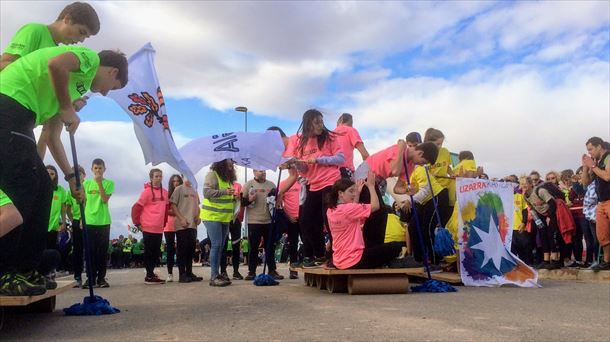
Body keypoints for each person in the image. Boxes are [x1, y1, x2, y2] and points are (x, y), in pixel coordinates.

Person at [0, 45, 127, 295]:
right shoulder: (89, 58)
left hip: (21, 116)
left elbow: (52, 137)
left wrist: (70, 177)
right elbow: (56, 64)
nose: (104, 92)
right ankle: (6, 272)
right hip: (8, 103)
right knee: (23, 188)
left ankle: (27, 268)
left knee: (44, 188)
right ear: (112, 72)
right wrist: (68, 106)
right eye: (111, 88)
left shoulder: (67, 90)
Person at [282, 109, 344, 268]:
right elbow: (304, 170)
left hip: (330, 181)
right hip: (314, 184)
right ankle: (320, 254)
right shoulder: (301, 142)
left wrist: (319, 159)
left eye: (322, 121)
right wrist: (296, 162)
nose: (320, 125)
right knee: (306, 221)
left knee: (329, 218)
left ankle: (336, 256)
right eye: (317, 122)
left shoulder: (330, 138)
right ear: (308, 123)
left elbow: (340, 158)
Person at [326, 171, 402, 269]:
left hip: (339, 260)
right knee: (396, 247)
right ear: (340, 193)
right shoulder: (348, 209)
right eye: (351, 191)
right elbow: (375, 206)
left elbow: (351, 211)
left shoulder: (331, 211)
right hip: (355, 260)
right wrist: (371, 186)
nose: (353, 194)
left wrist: (357, 194)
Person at [0, 1, 100, 71]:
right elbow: (3, 64)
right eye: (81, 32)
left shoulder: (58, 52)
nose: (82, 40)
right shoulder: (35, 30)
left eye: (86, 37)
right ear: (67, 19)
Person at [201, 159, 239, 286]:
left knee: (221, 247)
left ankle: (217, 274)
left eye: (233, 162)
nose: (232, 163)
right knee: (216, 245)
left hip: (224, 217)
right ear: (222, 162)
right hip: (212, 216)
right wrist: (225, 192)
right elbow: (206, 193)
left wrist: (233, 198)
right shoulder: (213, 174)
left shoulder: (227, 179)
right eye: (230, 161)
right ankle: (214, 276)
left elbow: (224, 197)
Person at [242, 169, 283, 281]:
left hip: (269, 221)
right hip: (254, 221)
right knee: (253, 248)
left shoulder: (271, 184)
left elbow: (278, 197)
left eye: (264, 171)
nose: (263, 173)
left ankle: (272, 270)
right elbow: (241, 201)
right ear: (254, 172)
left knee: (270, 247)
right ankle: (251, 272)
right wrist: (249, 200)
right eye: (260, 171)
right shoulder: (248, 184)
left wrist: (278, 199)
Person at [131, 168, 168, 284]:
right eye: (156, 176)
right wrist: (137, 223)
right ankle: (149, 275)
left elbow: (166, 209)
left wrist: (164, 222)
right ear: (151, 178)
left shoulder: (165, 192)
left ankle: (151, 273)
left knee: (156, 252)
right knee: (149, 251)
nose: (158, 178)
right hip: (147, 226)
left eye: (160, 176)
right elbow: (135, 208)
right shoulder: (146, 192)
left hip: (159, 227)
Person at [82, 158, 114, 289]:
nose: (98, 171)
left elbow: (105, 199)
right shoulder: (86, 184)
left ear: (104, 169)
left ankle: (101, 278)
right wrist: (82, 220)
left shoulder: (109, 183)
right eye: (95, 168)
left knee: (102, 252)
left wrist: (100, 184)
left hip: (103, 221)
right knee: (90, 252)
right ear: (92, 169)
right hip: (89, 221)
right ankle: (90, 278)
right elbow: (83, 202)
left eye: (100, 168)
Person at [581, 137, 610, 271]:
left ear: (599, 146)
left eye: (591, 149)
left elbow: (607, 176)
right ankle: (607, 261)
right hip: (601, 202)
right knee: (602, 235)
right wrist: (586, 167)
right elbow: (586, 183)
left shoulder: (608, 156)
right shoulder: (596, 162)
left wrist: (592, 165)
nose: (590, 152)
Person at [522, 176, 561, 270]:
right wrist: (537, 219)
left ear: (531, 184)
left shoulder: (540, 191)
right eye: (522, 184)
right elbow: (531, 207)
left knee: (552, 235)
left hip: (551, 213)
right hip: (540, 215)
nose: (524, 186)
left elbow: (552, 203)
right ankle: (546, 260)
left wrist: (549, 217)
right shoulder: (525, 196)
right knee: (543, 236)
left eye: (525, 184)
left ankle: (555, 260)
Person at [170, 177, 202, 283]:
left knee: (191, 249)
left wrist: (198, 216)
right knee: (182, 250)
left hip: (193, 225)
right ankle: (182, 274)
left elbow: (198, 206)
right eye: (186, 175)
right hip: (182, 225)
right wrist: (181, 218)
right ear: (182, 177)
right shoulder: (179, 189)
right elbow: (173, 205)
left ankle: (189, 272)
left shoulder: (194, 190)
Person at [277, 176, 302, 279]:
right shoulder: (283, 184)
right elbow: (279, 203)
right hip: (291, 218)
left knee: (308, 242)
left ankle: (311, 266)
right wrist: (288, 216)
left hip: (304, 217)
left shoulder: (303, 182)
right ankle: (293, 269)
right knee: (293, 244)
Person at [220, 181, 244, 280]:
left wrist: (238, 198)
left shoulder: (238, 185)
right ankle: (223, 271)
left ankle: (236, 271)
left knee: (236, 246)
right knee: (224, 246)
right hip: (224, 218)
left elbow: (242, 202)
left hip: (236, 219)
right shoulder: (221, 184)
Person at [334, 113, 369, 179]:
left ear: (340, 121)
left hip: (330, 174)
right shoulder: (351, 130)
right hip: (345, 171)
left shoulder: (330, 134)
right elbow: (365, 154)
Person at [67, 165, 86, 287]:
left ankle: (92, 276)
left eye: (80, 174)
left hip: (87, 221)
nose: (78, 177)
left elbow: (87, 204)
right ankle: (77, 276)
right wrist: (73, 218)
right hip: (75, 221)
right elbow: (68, 207)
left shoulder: (88, 186)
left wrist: (82, 219)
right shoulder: (70, 191)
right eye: (75, 174)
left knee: (89, 249)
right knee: (77, 249)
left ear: (84, 175)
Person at [164, 174, 182, 282]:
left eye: (178, 181)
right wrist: (177, 212)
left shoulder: (182, 193)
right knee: (170, 250)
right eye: (174, 181)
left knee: (181, 250)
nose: (176, 183)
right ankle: (170, 273)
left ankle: (182, 273)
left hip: (181, 225)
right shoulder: (167, 195)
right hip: (169, 226)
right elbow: (165, 211)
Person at [46, 165, 68, 251]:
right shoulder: (38, 187)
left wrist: (63, 222)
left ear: (55, 176)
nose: (49, 175)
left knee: (51, 249)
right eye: (47, 173)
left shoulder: (60, 190)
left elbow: (63, 208)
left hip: (53, 226)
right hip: (40, 225)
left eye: (52, 174)